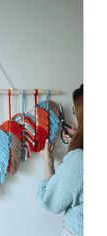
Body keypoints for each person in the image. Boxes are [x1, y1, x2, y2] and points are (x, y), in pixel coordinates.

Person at [37, 84, 83, 236]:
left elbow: (48, 200)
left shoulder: (79, 160)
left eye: (76, 115)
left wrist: (48, 160)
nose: (74, 122)